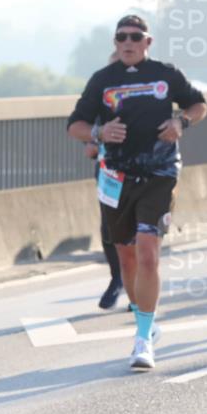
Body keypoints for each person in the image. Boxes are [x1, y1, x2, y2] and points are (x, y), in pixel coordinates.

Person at [67, 14, 207, 369]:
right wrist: (99, 133)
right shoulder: (102, 80)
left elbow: (199, 104)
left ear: (148, 41)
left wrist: (181, 121)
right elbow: (75, 125)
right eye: (121, 37)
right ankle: (146, 321)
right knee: (126, 258)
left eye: (135, 36)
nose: (128, 42)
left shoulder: (165, 74)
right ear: (115, 42)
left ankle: (142, 339)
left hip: (160, 173)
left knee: (147, 252)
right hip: (116, 176)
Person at [84, 50, 124, 311]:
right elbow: (86, 129)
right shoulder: (101, 95)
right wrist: (92, 141)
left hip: (145, 172)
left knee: (142, 231)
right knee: (109, 228)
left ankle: (140, 290)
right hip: (109, 171)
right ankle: (117, 279)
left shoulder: (149, 94)